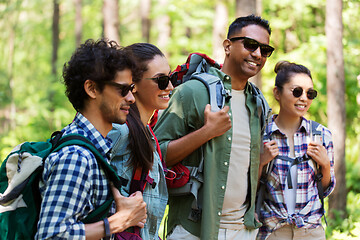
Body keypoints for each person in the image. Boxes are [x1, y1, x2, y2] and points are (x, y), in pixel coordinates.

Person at [154, 15, 274, 240]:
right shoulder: (192, 92)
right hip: (192, 229)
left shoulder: (258, 103)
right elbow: (155, 157)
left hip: (244, 229)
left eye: (265, 50)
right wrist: (206, 132)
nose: (258, 54)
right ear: (227, 46)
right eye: (250, 45)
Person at [36, 39, 147, 240]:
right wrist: (118, 222)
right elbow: (51, 235)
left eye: (131, 88)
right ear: (92, 89)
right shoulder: (76, 157)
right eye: (123, 90)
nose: (131, 98)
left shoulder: (96, 149)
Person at [257, 61, 335, 240]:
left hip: (311, 232)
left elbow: (325, 189)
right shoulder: (262, 135)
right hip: (272, 231)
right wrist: (261, 161)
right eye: (297, 91)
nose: (304, 98)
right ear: (277, 92)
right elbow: (250, 190)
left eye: (310, 93)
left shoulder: (322, 135)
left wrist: (324, 165)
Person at [107, 43, 174, 239]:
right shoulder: (121, 130)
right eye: (161, 80)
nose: (170, 87)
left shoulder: (146, 132)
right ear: (132, 86)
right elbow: (82, 161)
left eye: (170, 78)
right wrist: (116, 197)